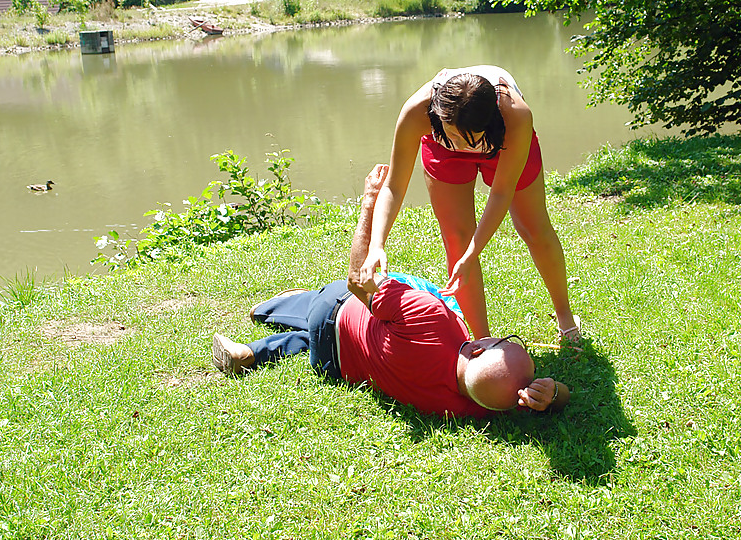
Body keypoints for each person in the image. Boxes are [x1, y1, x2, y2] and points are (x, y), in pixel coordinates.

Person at [212, 164, 570, 418]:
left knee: (321, 301)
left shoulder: (432, 318)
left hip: (334, 314)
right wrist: (552, 396)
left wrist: (369, 201)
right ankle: (255, 353)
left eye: (502, 340)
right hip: (332, 365)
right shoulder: (471, 406)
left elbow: (357, 279)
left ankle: (277, 306)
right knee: (311, 338)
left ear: (477, 348)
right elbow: (514, 397)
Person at [354, 66, 580, 342]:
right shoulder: (418, 112)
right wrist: (377, 244)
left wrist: (473, 254)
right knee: (456, 239)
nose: (460, 145)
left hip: (502, 145)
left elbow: (501, 192)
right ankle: (484, 341)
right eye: (454, 136)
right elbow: (394, 185)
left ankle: (566, 318)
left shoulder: (515, 115)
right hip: (440, 148)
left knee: (533, 228)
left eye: (467, 139)